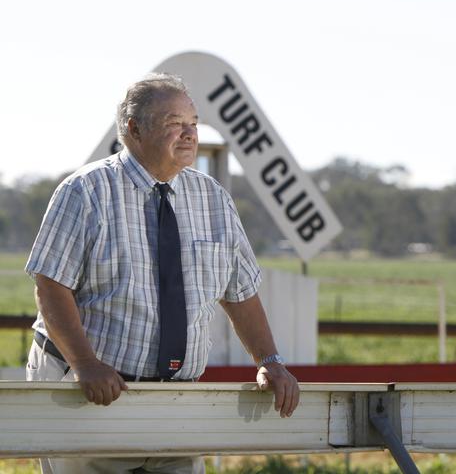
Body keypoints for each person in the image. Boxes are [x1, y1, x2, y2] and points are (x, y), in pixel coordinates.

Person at [24, 73, 300, 474]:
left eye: (193, 123)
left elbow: (239, 291)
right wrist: (85, 364)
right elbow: (50, 286)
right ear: (134, 129)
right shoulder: (85, 191)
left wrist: (270, 360)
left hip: (176, 403)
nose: (189, 134)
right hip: (87, 391)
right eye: (174, 123)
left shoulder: (213, 199)